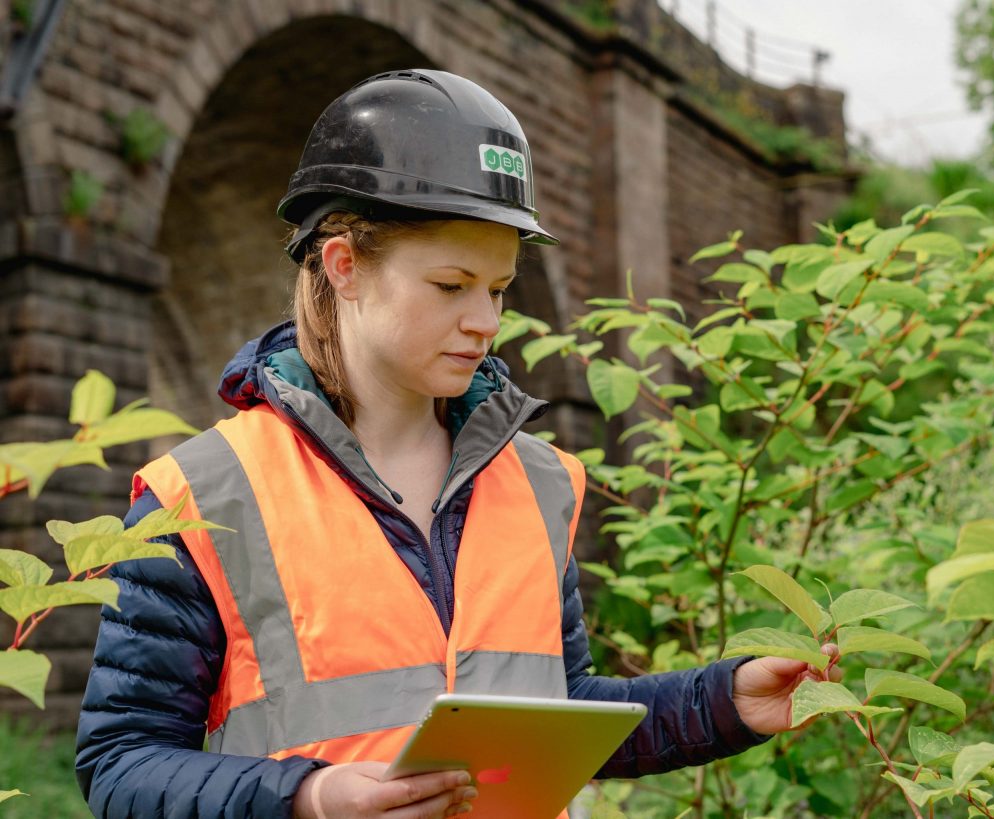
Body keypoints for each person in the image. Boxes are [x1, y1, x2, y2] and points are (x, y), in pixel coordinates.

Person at [76, 69, 837, 819]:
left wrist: (723, 702)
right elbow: (121, 762)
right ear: (343, 266)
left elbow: (560, 712)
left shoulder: (543, 482)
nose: (485, 319)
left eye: (499, 288)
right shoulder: (203, 490)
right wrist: (310, 795)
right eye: (452, 284)